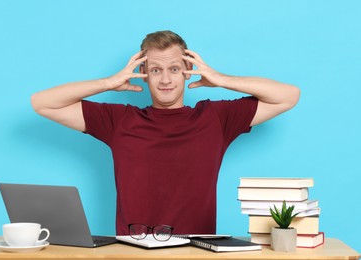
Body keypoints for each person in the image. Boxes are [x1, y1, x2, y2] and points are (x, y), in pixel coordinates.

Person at [31, 30, 300, 236]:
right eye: (156, 70)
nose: (166, 80)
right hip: (133, 251)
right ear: (144, 74)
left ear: (187, 72)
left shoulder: (215, 118)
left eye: (174, 69)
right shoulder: (120, 120)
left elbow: (288, 96)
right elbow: (41, 102)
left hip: (195, 251)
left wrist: (221, 79)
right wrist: (109, 83)